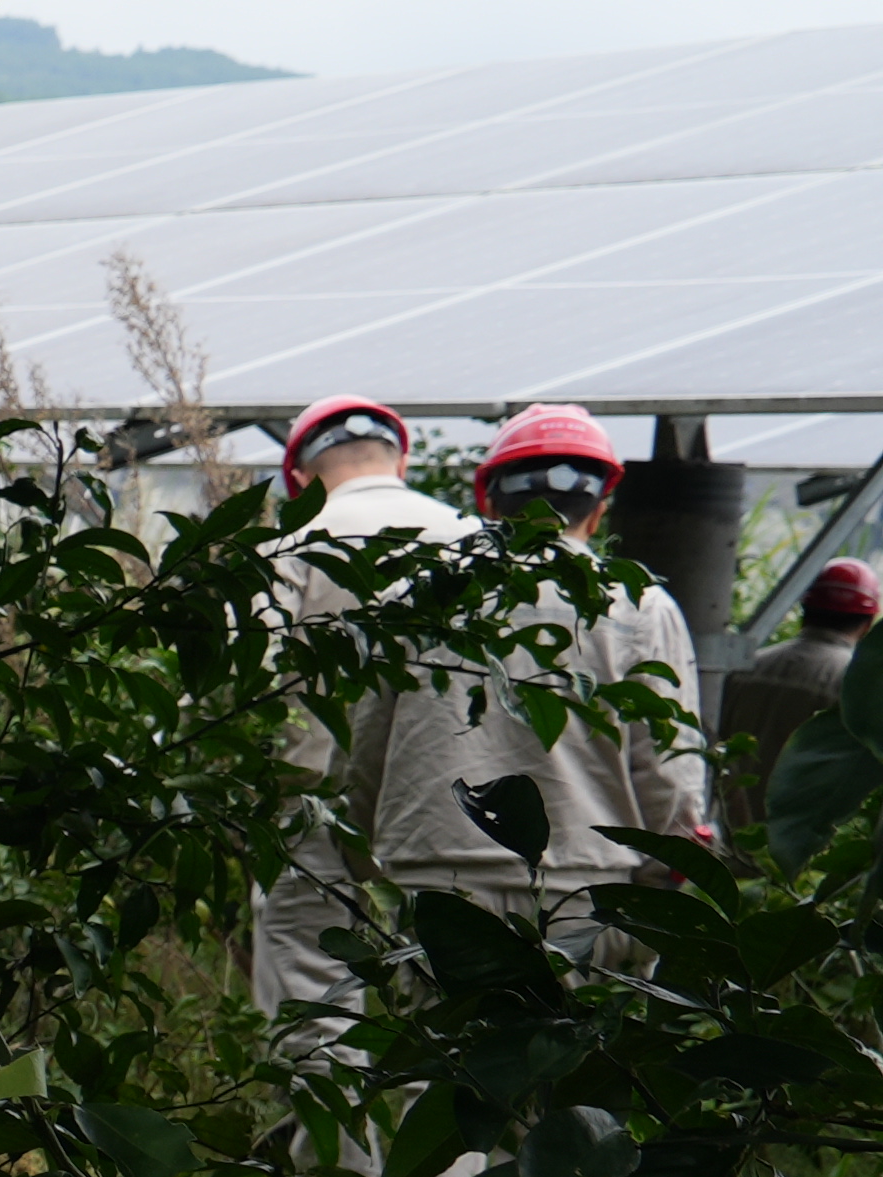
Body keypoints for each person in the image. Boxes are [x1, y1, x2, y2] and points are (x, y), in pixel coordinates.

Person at [254, 393, 712, 1055]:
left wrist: (362, 860)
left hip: (439, 885)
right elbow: (669, 767)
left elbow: (367, 750)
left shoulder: (420, 590)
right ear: (602, 503)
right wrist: (664, 882)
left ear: (489, 502)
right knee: (569, 1084)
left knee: (451, 1082)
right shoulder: (639, 600)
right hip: (586, 886)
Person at [722, 552, 872, 839]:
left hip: (726, 838)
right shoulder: (857, 688)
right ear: (867, 624)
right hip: (797, 854)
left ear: (805, 608)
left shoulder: (745, 666)